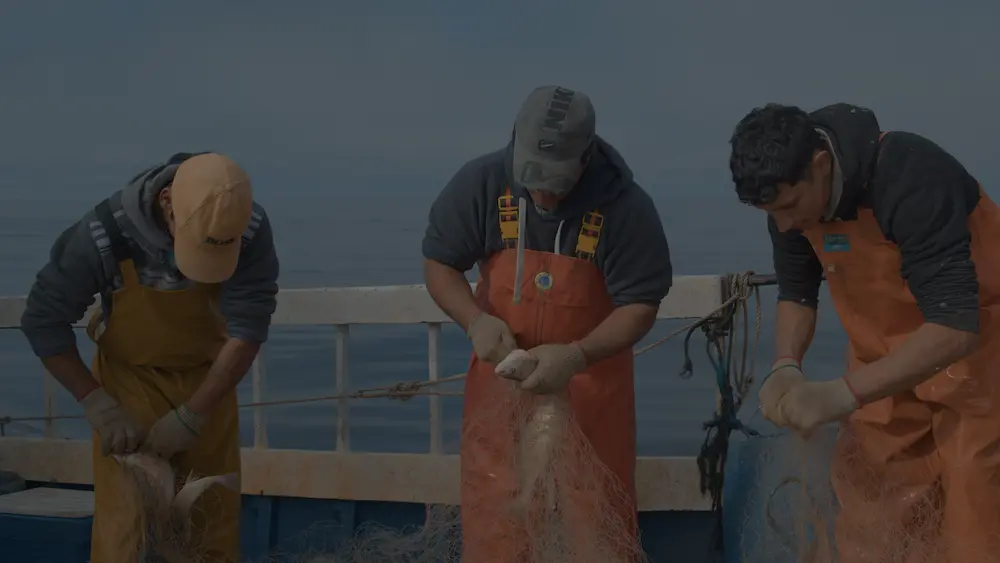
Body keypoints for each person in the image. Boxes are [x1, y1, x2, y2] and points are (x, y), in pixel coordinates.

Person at [728, 103, 1000, 562]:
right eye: (771, 214)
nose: (784, 225)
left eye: (790, 207)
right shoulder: (790, 206)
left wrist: (843, 395)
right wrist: (786, 364)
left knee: (975, 517)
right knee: (872, 517)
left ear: (820, 165)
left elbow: (957, 326)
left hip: (978, 361)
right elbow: (797, 295)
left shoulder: (911, 176)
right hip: (881, 366)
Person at [422, 85, 673, 561]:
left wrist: (577, 355)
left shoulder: (626, 207)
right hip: (502, 385)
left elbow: (641, 305)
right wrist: (474, 320)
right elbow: (439, 264)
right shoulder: (481, 183)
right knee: (498, 518)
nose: (541, 192)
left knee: (596, 523)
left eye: (554, 182)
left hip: (591, 394)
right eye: (531, 178)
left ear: (586, 157)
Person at [20, 152, 279, 563]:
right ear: (166, 203)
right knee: (127, 529)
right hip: (127, 381)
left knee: (211, 523)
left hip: (208, 378)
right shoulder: (103, 233)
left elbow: (249, 326)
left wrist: (195, 413)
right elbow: (42, 320)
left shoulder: (247, 226)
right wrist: (96, 403)